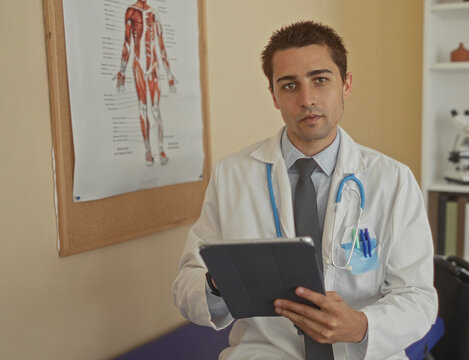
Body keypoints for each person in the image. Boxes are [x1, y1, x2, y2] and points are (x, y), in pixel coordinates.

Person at [173, 21, 437, 359]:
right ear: (273, 96)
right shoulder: (232, 175)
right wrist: (216, 284)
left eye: (320, 80)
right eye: (289, 85)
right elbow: (186, 289)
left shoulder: (393, 180)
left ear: (347, 84)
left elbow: (419, 297)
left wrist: (361, 325)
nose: (306, 99)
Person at [114, 0, 177, 166]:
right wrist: (122, 70)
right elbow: (127, 42)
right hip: (139, 67)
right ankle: (148, 150)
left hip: (153, 67)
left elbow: (161, 46)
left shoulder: (154, 14)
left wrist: (169, 74)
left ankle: (161, 148)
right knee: (143, 108)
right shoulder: (131, 12)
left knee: (156, 110)